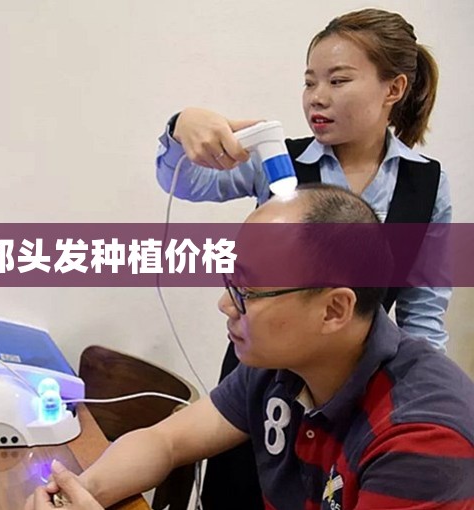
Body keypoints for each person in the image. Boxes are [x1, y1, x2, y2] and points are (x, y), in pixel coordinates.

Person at [155, 8, 452, 508]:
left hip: (355, 397)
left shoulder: (427, 183)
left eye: (338, 80)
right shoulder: (279, 161)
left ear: (394, 88)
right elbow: (185, 181)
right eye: (310, 81)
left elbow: (424, 313)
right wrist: (181, 127)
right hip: (263, 380)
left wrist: (421, 399)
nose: (317, 96)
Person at [24, 185, 474, 510]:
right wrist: (76, 493)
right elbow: (166, 441)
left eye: (248, 290)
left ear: (334, 310)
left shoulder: (421, 439)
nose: (225, 304)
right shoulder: (281, 366)